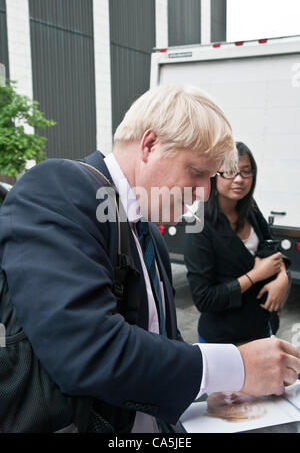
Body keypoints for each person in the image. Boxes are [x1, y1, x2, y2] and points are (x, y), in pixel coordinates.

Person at [0, 86, 299, 433]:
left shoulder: (148, 234)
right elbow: (87, 350)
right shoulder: (59, 188)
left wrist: (200, 392)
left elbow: (159, 343)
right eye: (197, 171)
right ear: (149, 144)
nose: (204, 193)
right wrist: (236, 366)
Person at [184, 141, 290, 345]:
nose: (239, 179)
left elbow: (271, 248)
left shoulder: (250, 208)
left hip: (262, 328)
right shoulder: (199, 225)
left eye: (246, 171)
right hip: (225, 339)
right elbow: (204, 299)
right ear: (214, 175)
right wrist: (255, 275)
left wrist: (283, 277)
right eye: (230, 172)